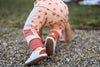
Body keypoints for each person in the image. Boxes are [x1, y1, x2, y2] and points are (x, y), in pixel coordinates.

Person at [23, 0, 71, 65]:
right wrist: (67, 39)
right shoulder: (60, 3)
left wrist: (40, 40)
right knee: (57, 29)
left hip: (44, 6)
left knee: (30, 28)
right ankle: (52, 36)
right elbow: (67, 27)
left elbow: (39, 27)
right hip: (62, 9)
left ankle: (38, 49)